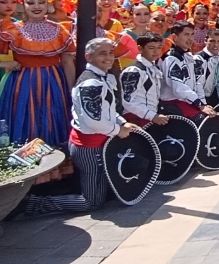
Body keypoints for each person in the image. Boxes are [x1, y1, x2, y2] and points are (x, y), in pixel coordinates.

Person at [21, 39, 143, 216]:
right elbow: (93, 120)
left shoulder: (102, 78)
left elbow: (106, 111)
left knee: (103, 192)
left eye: (110, 53)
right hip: (88, 148)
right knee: (91, 202)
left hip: (96, 144)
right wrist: (118, 130)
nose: (108, 57)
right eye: (103, 53)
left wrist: (121, 122)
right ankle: (33, 204)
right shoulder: (91, 83)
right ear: (89, 57)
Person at [0, 0, 76, 148]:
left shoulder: (60, 30)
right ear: (23, 5)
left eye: (41, 2)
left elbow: (67, 61)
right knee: (23, 116)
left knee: (51, 119)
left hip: (53, 82)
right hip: (21, 82)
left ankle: (53, 167)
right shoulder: (12, 29)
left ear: (48, 4)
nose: (36, 6)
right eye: (30, 2)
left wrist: (70, 89)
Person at [160, 21, 219, 119]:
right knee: (202, 120)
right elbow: (178, 88)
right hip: (172, 103)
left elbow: (197, 83)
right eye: (186, 34)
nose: (191, 38)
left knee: (213, 118)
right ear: (174, 37)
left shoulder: (189, 56)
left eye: (192, 34)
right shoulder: (170, 58)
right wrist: (199, 103)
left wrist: (203, 103)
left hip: (188, 101)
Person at [120, 34, 171, 127]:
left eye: (159, 47)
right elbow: (128, 101)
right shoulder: (134, 70)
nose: (156, 51)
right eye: (151, 48)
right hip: (135, 118)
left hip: (151, 117)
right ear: (140, 49)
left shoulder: (153, 67)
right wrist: (152, 116)